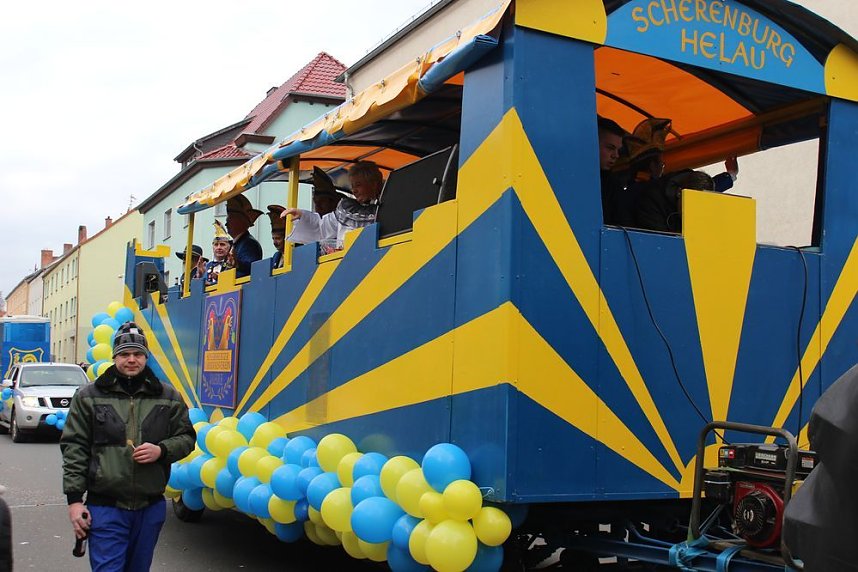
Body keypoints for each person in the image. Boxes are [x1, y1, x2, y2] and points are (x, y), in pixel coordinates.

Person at [61, 322, 195, 572]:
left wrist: (162, 450)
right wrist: (75, 501)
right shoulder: (89, 396)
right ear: (114, 357)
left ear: (145, 357)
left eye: (137, 354)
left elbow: (187, 437)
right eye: (124, 354)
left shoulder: (168, 396)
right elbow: (74, 448)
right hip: (105, 507)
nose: (131, 360)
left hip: (150, 507)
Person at [281, 161, 384, 250]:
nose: (354, 191)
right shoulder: (347, 209)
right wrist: (301, 215)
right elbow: (322, 228)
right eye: (352, 186)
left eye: (358, 185)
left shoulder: (389, 206)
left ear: (373, 184)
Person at [597, 116, 627, 226]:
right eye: (610, 148)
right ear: (593, 143)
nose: (616, 155)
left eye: (618, 150)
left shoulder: (613, 185)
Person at [225, 194, 263, 278]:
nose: (226, 224)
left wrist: (237, 263)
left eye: (229, 220)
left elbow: (251, 268)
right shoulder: (236, 244)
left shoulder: (249, 244)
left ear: (240, 221)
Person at [205, 221, 233, 286]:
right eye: (216, 245)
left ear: (229, 247)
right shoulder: (207, 266)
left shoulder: (232, 264)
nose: (219, 247)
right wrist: (200, 275)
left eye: (222, 244)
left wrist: (218, 279)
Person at [267, 204, 286, 270]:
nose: (274, 242)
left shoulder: (296, 253)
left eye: (278, 238)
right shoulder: (276, 256)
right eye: (273, 238)